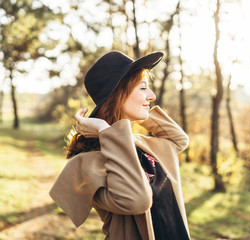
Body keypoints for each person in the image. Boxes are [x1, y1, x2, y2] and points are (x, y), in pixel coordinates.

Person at [49, 51, 190, 240]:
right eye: (142, 88)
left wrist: (137, 118)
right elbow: (137, 200)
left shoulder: (137, 143)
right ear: (118, 95)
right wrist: (103, 128)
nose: (152, 95)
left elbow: (179, 140)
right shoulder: (90, 161)